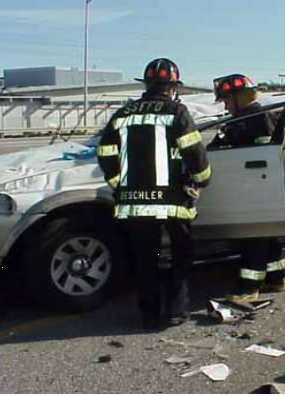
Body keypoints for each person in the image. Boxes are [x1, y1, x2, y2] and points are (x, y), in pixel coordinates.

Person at [97, 58, 211, 330]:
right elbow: (194, 152)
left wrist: (119, 185)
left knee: (145, 259)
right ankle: (175, 311)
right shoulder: (177, 112)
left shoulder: (124, 113)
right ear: (172, 87)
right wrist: (202, 180)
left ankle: (148, 314)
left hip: (134, 204)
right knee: (180, 256)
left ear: (147, 85)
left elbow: (105, 153)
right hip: (172, 202)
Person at [208, 73, 285, 302]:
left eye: (226, 100)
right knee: (267, 235)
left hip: (253, 187)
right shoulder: (257, 116)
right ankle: (277, 277)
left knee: (252, 237)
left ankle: (249, 286)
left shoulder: (251, 118)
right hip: (262, 186)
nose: (225, 105)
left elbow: (259, 153)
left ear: (238, 97)